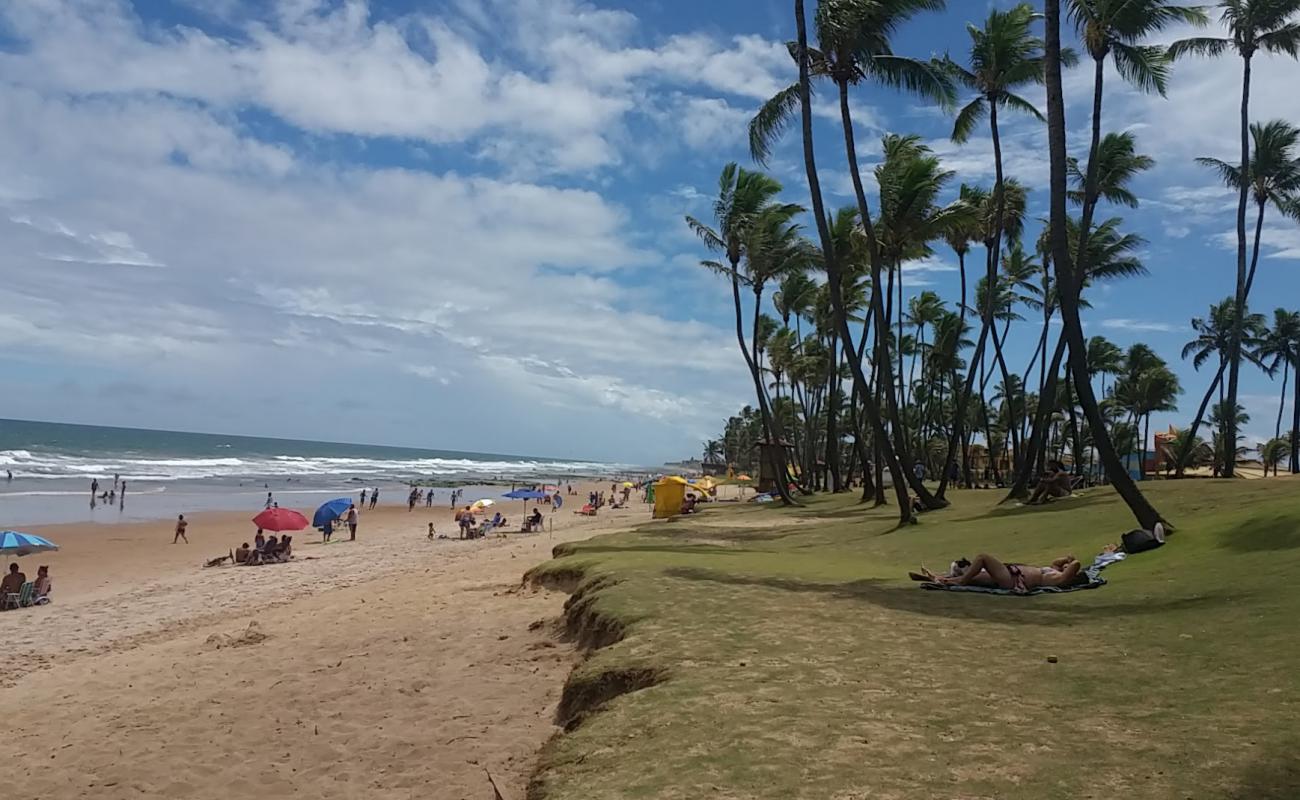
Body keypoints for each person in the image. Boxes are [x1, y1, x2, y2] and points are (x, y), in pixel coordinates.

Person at [932, 553, 1084, 593]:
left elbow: (1076, 564)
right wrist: (1067, 559)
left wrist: (1072, 562)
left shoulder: (1060, 579)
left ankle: (960, 581)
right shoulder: (1055, 571)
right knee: (977, 577)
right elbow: (1057, 563)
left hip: (1014, 580)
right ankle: (945, 579)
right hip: (1012, 573)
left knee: (982, 558)